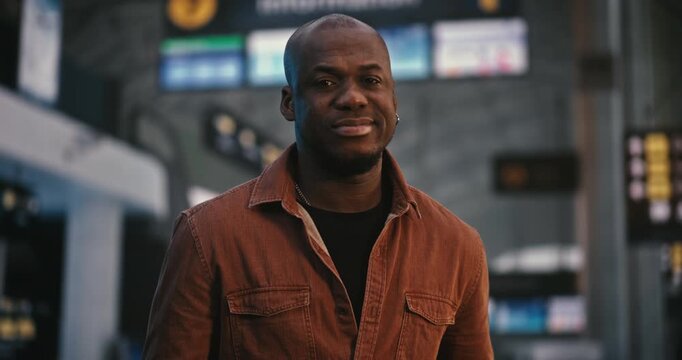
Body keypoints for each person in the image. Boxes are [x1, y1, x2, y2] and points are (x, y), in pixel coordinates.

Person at [143, 14, 493, 359]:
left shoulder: (456, 247)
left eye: (371, 81)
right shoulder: (208, 236)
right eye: (326, 83)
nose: (353, 98)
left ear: (394, 99)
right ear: (289, 103)